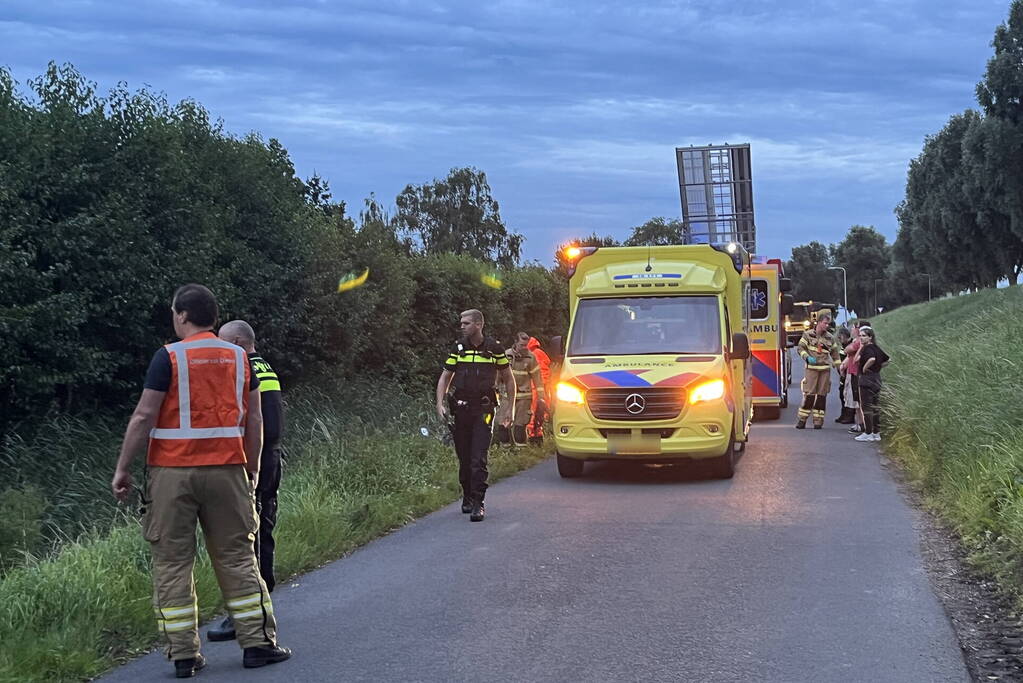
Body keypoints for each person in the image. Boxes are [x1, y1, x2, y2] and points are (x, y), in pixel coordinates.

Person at [111, 284, 290, 678]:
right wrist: (253, 467)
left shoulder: (168, 357)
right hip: (228, 471)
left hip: (172, 476)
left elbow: (144, 417)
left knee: (173, 562)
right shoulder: (241, 358)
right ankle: (258, 645)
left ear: (182, 315)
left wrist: (123, 468)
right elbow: (255, 419)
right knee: (238, 557)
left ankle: (183, 656)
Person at [208, 320, 285, 642]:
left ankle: (246, 612)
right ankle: (262, 600)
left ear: (239, 341)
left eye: (225, 342)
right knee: (262, 528)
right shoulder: (264, 367)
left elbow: (246, 419)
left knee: (243, 535)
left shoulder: (242, 369)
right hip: (271, 457)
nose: (221, 349)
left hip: (252, 460)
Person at [436, 309, 515, 522]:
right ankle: (468, 495)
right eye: (461, 322)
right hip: (461, 409)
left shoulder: (494, 349)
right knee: (463, 457)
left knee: (477, 457)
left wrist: (510, 408)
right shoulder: (458, 348)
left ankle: (479, 502)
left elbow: (508, 379)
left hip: (484, 410)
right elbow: (445, 377)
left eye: (466, 323)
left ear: (478, 324)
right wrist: (440, 403)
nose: (462, 326)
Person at [495, 332, 545, 446]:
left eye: (526, 345)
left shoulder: (531, 357)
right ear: (515, 343)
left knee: (519, 428)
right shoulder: (506, 355)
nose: (524, 348)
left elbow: (538, 379)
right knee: (503, 427)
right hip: (506, 398)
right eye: (522, 345)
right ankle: (506, 454)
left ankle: (521, 453)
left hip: (524, 398)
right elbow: (497, 374)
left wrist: (541, 398)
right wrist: (495, 389)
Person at [795, 311, 841, 430]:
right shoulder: (808, 335)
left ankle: (818, 421)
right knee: (809, 395)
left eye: (828, 324)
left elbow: (835, 355)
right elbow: (800, 348)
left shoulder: (830, 338)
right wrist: (807, 357)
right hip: (812, 370)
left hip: (825, 370)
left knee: (822, 396)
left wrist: (840, 369)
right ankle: (802, 420)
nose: (827, 326)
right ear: (819, 322)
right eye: (825, 323)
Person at [854, 326, 890, 442]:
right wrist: (878, 368)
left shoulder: (867, 349)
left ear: (870, 337)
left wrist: (865, 368)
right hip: (876, 378)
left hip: (867, 379)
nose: (861, 338)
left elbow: (871, 359)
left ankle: (868, 432)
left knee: (867, 407)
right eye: (860, 335)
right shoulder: (876, 348)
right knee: (875, 407)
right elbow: (888, 360)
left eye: (864, 336)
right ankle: (876, 432)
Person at [526, 336, 552, 445]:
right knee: (540, 412)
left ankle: (531, 437)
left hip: (535, 387)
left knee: (532, 412)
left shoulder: (532, 355)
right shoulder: (541, 353)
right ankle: (538, 436)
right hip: (544, 387)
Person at [834, 325, 854, 424]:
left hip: (848, 374)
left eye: (840, 337)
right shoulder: (843, 346)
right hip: (843, 374)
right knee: (842, 395)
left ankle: (849, 416)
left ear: (845, 336)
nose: (839, 339)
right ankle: (844, 415)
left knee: (847, 396)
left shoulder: (850, 346)